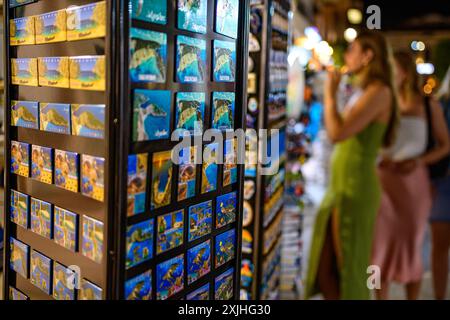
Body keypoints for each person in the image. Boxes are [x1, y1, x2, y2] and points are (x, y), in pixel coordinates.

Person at [304, 31, 398, 300]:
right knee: (326, 269)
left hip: (356, 186)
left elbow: (337, 132)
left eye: (352, 49)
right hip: (342, 184)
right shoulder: (366, 90)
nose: (346, 55)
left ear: (368, 56)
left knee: (350, 267)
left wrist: (330, 95)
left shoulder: (379, 92)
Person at [371, 52, 450, 300]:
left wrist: (417, 162)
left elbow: (445, 145)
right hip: (382, 179)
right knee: (379, 247)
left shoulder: (429, 104)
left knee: (411, 247)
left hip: (413, 182)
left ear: (405, 71)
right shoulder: (380, 103)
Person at [430, 66, 450, 300]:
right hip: (443, 182)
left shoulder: (441, 105)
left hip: (442, 181)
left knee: (439, 248)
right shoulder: (441, 106)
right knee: (439, 247)